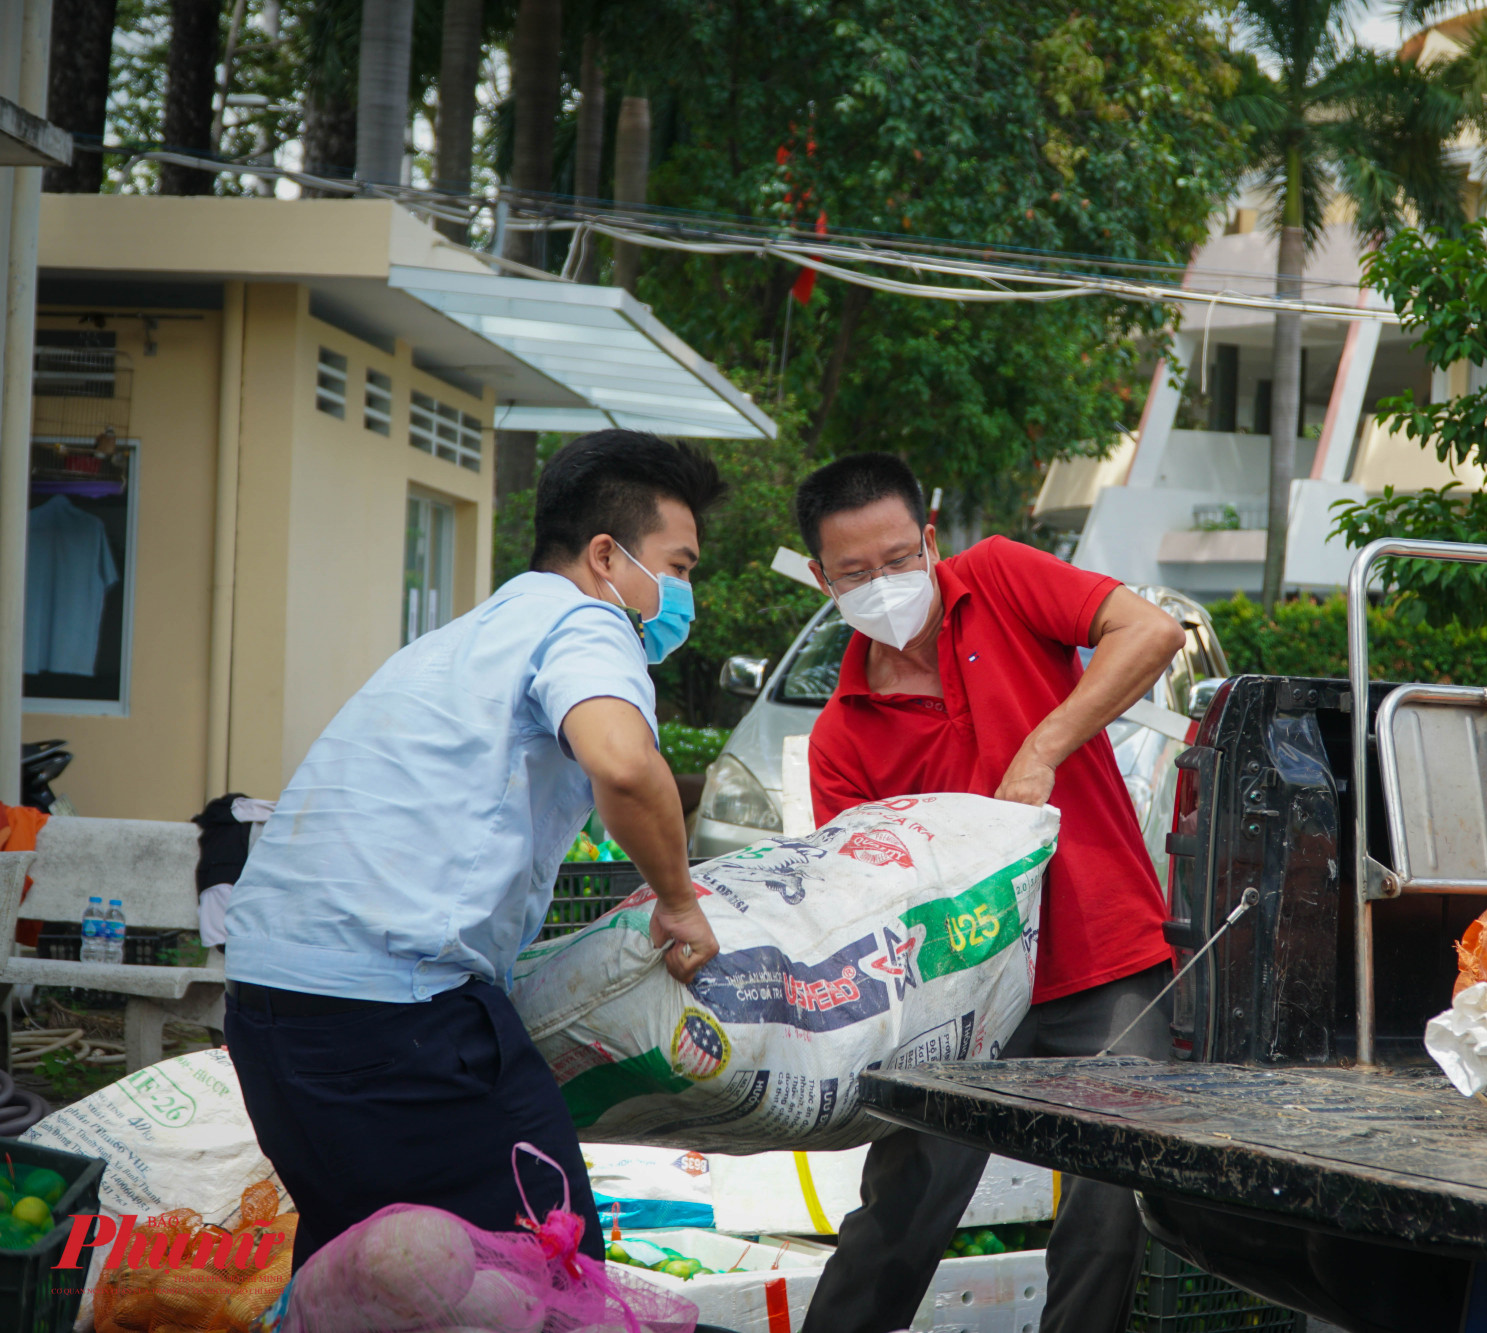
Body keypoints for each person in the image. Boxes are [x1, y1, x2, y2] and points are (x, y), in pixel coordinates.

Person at [223, 430, 723, 1265]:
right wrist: (679, 900)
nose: (683, 592)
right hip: (394, 1016)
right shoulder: (588, 623)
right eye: (680, 565)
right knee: (547, 1273)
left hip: (269, 1008)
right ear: (607, 555)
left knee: (368, 1279)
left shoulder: (472, 634)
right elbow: (627, 766)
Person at [794, 453, 1187, 1333]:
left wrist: (1043, 747)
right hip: (958, 999)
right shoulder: (841, 737)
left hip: (1102, 959)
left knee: (1108, 1213)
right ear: (823, 580)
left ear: (930, 540)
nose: (883, 584)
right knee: (903, 1210)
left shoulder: (1003, 576)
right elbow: (868, 905)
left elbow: (1150, 633)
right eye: (855, 573)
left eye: (898, 559)